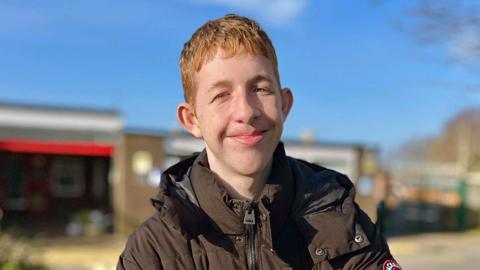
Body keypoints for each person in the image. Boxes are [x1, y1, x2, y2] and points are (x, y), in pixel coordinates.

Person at [117, 14, 401, 270]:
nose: (246, 112)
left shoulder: (342, 222)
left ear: (284, 104)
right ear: (192, 120)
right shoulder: (153, 251)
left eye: (260, 88)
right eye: (221, 95)